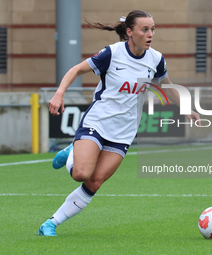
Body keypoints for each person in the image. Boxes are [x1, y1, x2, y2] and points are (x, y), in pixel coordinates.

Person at [38, 10, 200, 236]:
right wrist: (59, 94)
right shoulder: (111, 54)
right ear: (129, 32)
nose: (150, 34)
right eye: (145, 29)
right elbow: (76, 69)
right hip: (98, 122)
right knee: (81, 174)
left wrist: (186, 109)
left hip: (123, 133)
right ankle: (73, 151)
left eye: (153, 29)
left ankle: (50, 224)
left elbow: (167, 86)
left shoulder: (156, 59)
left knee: (94, 183)